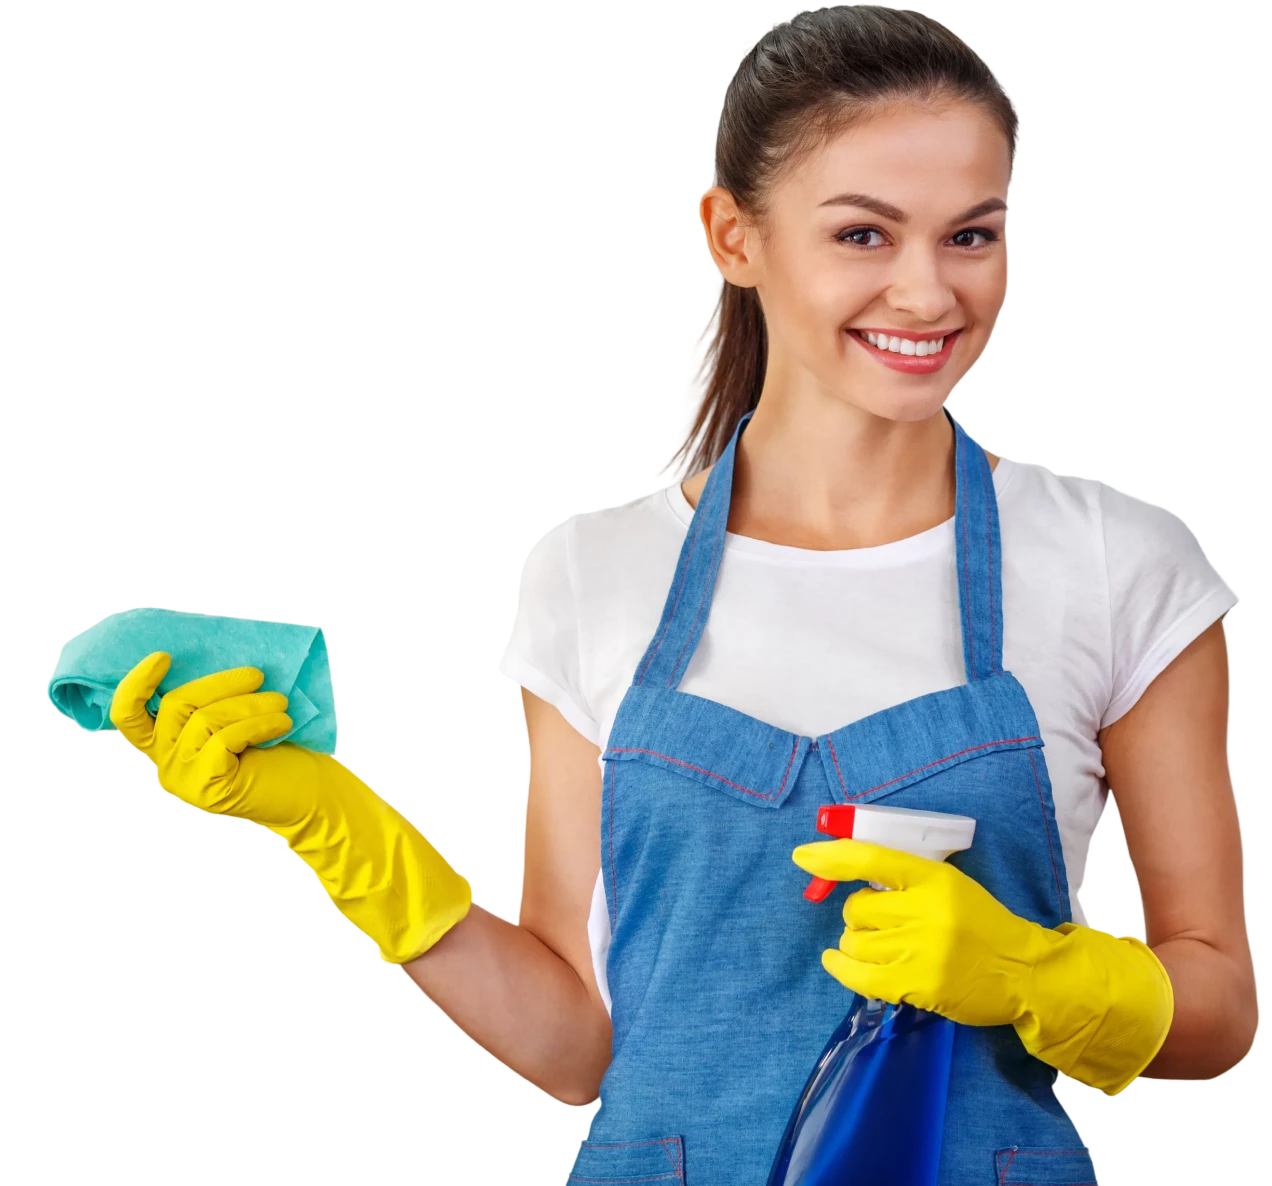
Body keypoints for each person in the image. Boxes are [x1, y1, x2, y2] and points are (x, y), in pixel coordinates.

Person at [106, 8, 1254, 1186]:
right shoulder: (593, 574)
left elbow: (1218, 1009)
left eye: (972, 236)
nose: (928, 292)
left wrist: (1037, 976)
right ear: (732, 235)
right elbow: (579, 1050)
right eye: (864, 234)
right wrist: (335, 826)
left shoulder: (1112, 558)